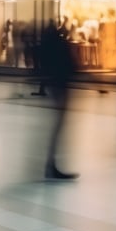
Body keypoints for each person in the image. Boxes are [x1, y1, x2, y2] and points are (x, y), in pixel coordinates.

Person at [40, 19, 79, 180]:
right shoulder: (59, 44)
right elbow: (70, 65)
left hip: (56, 85)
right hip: (60, 86)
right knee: (58, 125)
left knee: (57, 126)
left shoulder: (48, 44)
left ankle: (51, 163)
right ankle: (51, 164)